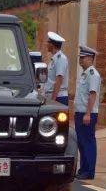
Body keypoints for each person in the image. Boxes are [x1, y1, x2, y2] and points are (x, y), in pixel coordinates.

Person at [73, 45, 101, 180]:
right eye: (80, 58)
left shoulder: (92, 74)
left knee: (88, 141)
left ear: (90, 58)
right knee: (81, 142)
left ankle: (89, 170)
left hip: (87, 113)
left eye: (83, 58)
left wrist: (88, 113)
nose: (81, 60)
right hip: (80, 112)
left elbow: (92, 95)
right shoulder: (85, 74)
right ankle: (83, 168)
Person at [43, 32, 69, 104]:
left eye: (48, 42)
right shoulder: (54, 59)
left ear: (52, 44)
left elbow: (59, 80)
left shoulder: (61, 58)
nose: (46, 44)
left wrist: (53, 100)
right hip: (52, 96)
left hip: (58, 97)